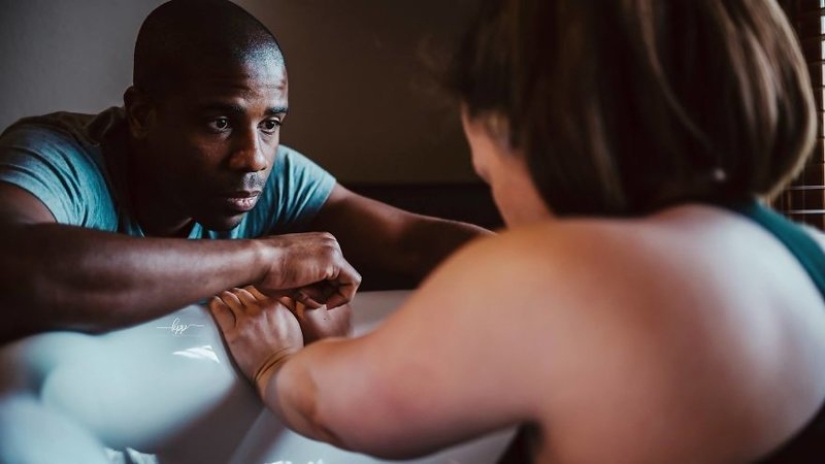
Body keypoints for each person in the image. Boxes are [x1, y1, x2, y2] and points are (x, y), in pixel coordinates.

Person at [210, 0, 825, 462]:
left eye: (488, 169)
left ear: (529, 131)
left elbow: (332, 410)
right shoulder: (807, 253)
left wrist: (276, 363)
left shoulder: (560, 272)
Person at [0, 0, 489, 344]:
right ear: (143, 115)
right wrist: (265, 259)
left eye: (271, 123)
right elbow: (17, 270)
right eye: (219, 122)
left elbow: (411, 241)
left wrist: (555, 269)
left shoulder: (275, 179)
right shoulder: (59, 159)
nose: (253, 158)